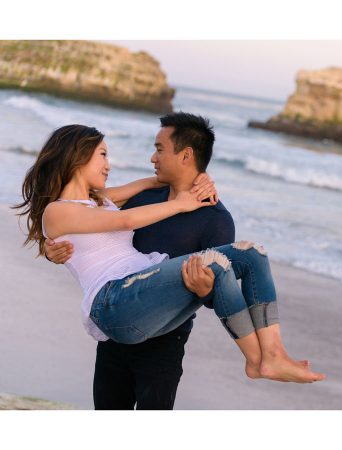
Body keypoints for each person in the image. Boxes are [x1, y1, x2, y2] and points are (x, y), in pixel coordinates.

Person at [16, 123, 326, 395]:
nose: (109, 163)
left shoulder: (102, 199)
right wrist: (182, 204)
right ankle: (257, 362)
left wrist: (201, 177)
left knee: (252, 254)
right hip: (113, 301)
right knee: (216, 262)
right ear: (76, 156)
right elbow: (126, 222)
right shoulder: (57, 211)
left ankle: (271, 354)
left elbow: (157, 181)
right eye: (103, 154)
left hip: (142, 301)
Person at [43, 112, 234, 410]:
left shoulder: (215, 220)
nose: (152, 158)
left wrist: (205, 289)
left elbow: (217, 296)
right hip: (115, 329)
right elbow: (86, 222)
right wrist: (50, 249)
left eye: (159, 149)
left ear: (186, 155)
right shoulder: (140, 200)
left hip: (164, 341)